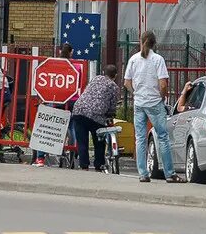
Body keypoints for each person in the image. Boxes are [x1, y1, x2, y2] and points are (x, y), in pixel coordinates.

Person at [124, 30, 183, 183]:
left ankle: (143, 173)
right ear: (154, 44)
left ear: (141, 40)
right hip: (155, 102)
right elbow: (163, 84)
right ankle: (169, 174)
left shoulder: (133, 60)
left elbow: (126, 82)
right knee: (163, 137)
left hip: (139, 103)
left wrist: (135, 92)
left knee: (140, 139)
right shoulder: (158, 60)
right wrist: (161, 97)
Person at [70, 64, 121, 171]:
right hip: (97, 115)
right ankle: (98, 164)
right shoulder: (114, 87)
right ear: (115, 75)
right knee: (99, 141)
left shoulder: (95, 79)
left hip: (79, 110)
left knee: (82, 141)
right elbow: (112, 107)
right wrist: (111, 114)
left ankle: (84, 165)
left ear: (103, 73)